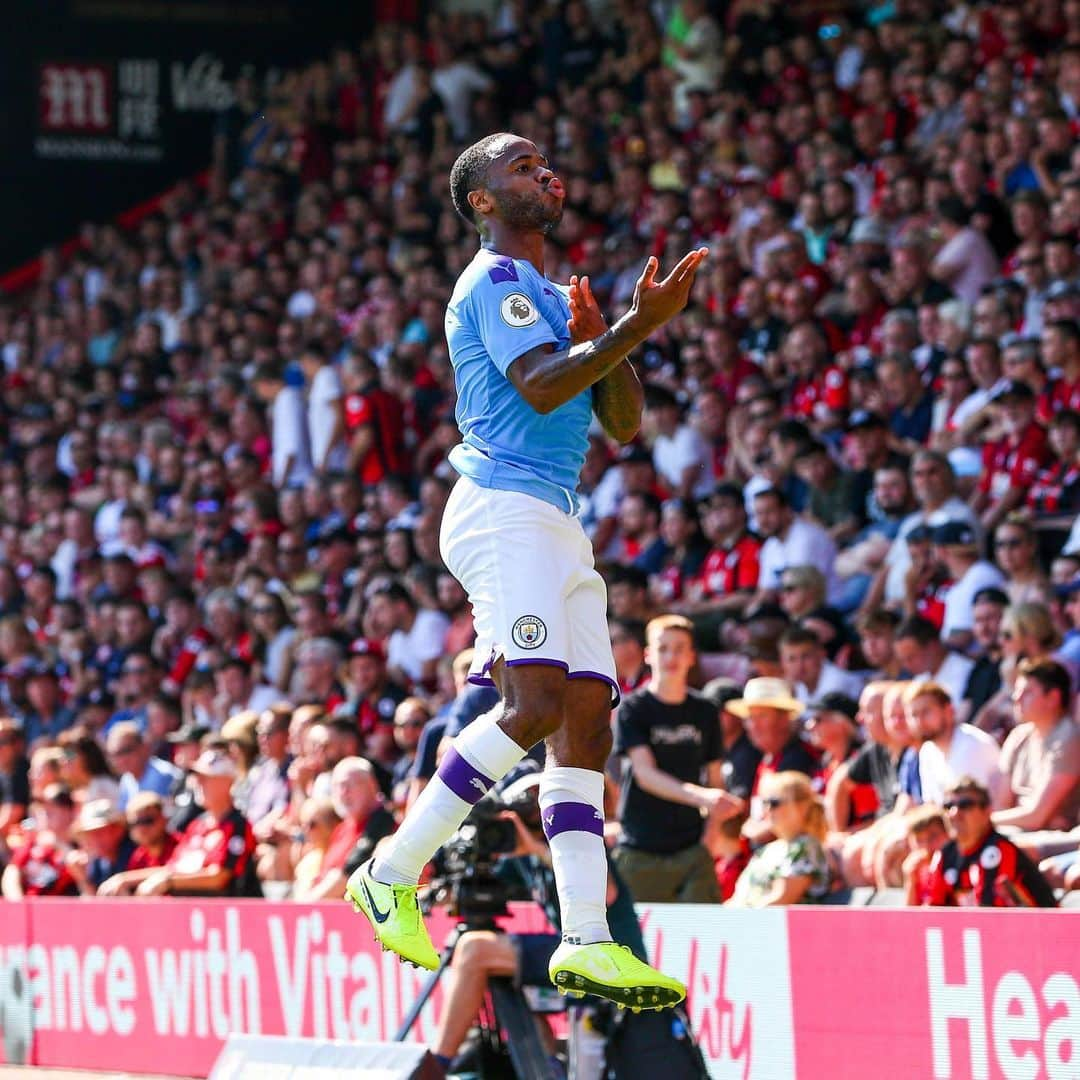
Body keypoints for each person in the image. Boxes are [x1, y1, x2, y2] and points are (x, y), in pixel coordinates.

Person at [347, 131, 705, 1008]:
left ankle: (587, 939)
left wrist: (616, 341)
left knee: (586, 724)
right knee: (534, 703)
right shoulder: (495, 281)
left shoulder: (550, 293)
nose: (543, 169)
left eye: (544, 160)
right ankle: (389, 872)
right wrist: (631, 327)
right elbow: (544, 387)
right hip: (502, 506)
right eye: (518, 165)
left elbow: (619, 423)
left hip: (554, 514)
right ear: (480, 201)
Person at [427, 770, 651, 1076]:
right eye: (526, 805)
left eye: (539, 798)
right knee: (502, 975)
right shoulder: (519, 853)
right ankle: (547, 1066)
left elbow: (606, 892)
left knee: (474, 949)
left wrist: (540, 851)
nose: (536, 811)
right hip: (577, 958)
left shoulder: (575, 837)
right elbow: (475, 886)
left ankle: (437, 1065)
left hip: (615, 957)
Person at [612, 615, 740, 903]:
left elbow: (716, 780)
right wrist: (703, 798)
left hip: (692, 851)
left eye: (680, 648)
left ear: (692, 656)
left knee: (702, 940)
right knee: (634, 946)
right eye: (663, 648)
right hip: (640, 849)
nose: (671, 656)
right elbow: (645, 775)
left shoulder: (705, 711)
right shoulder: (633, 708)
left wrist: (709, 839)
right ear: (648, 654)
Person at [133, 748, 257, 897]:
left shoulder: (238, 825)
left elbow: (218, 877)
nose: (197, 782)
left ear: (226, 782)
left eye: (205, 778)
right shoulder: (198, 824)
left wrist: (168, 882)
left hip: (223, 914)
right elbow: (172, 868)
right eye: (197, 777)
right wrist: (125, 879)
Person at [921, 776, 1057, 907]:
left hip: (1043, 927)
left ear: (987, 811)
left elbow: (989, 914)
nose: (954, 813)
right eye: (948, 806)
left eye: (965, 805)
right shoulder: (945, 854)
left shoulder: (999, 850)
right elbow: (933, 909)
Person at [727, 771, 831, 906]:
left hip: (774, 925)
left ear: (802, 807)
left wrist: (736, 920)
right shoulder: (768, 849)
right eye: (764, 803)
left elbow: (781, 900)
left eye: (774, 803)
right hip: (744, 921)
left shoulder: (806, 846)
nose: (767, 809)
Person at [106, 722, 182, 810]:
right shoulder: (127, 779)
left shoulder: (163, 775)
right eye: (114, 754)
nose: (120, 759)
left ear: (143, 747)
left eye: (126, 750)